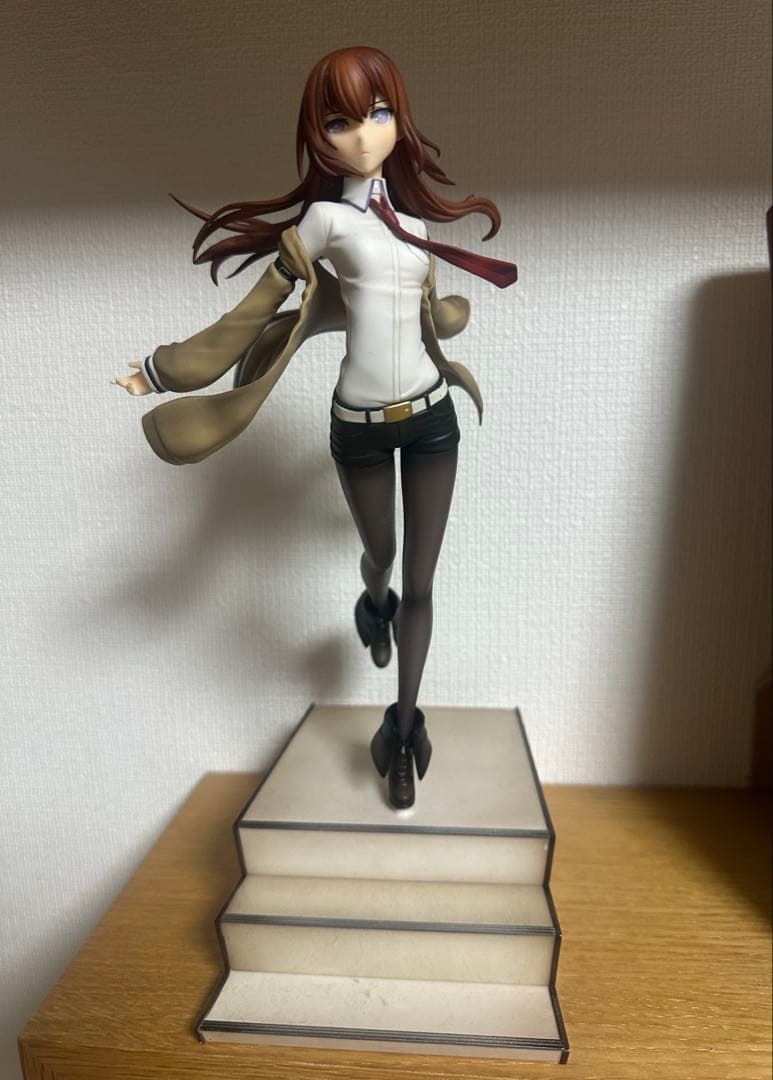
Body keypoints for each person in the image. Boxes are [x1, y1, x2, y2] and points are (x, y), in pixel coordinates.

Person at [113, 45, 517, 809]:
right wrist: (161, 371)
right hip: (358, 425)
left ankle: (402, 732)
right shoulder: (325, 221)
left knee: (424, 580)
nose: (363, 135)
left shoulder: (412, 225)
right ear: (316, 135)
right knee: (382, 556)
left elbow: (423, 316)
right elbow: (252, 311)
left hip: (430, 417)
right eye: (340, 122)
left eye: (378, 113)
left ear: (400, 120)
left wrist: (448, 315)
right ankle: (372, 601)